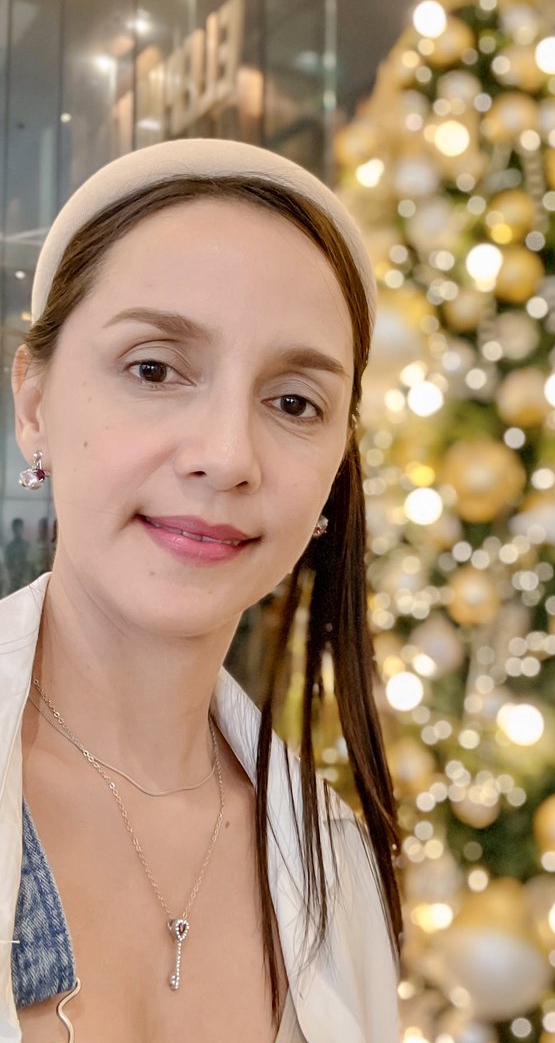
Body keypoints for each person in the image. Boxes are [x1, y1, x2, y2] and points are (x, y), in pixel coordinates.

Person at [0, 140, 402, 1043]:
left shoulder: (332, 855)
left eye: (294, 402)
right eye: (153, 369)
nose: (226, 455)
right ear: (34, 405)